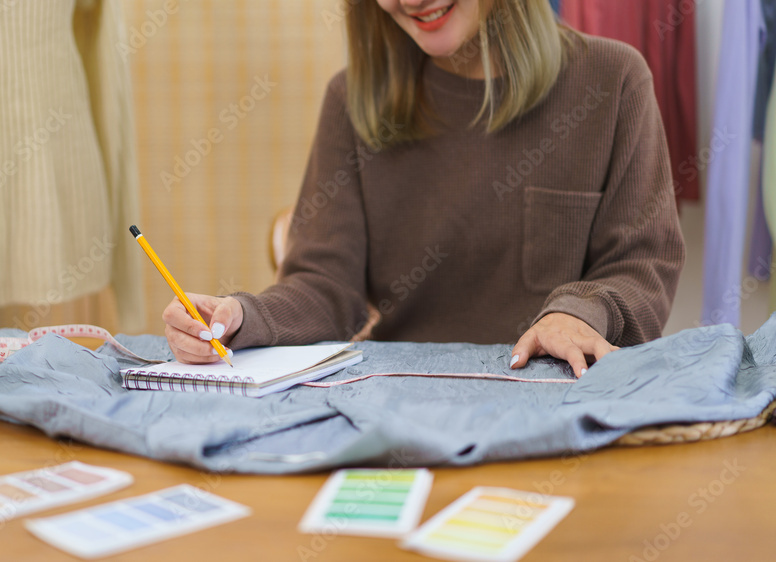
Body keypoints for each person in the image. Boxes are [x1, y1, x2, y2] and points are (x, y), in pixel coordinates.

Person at [161, 0, 685, 377]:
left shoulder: (613, 80)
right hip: (399, 407)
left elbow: (642, 265)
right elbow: (325, 287)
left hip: (560, 403)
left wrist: (577, 311)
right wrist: (241, 316)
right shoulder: (351, 101)